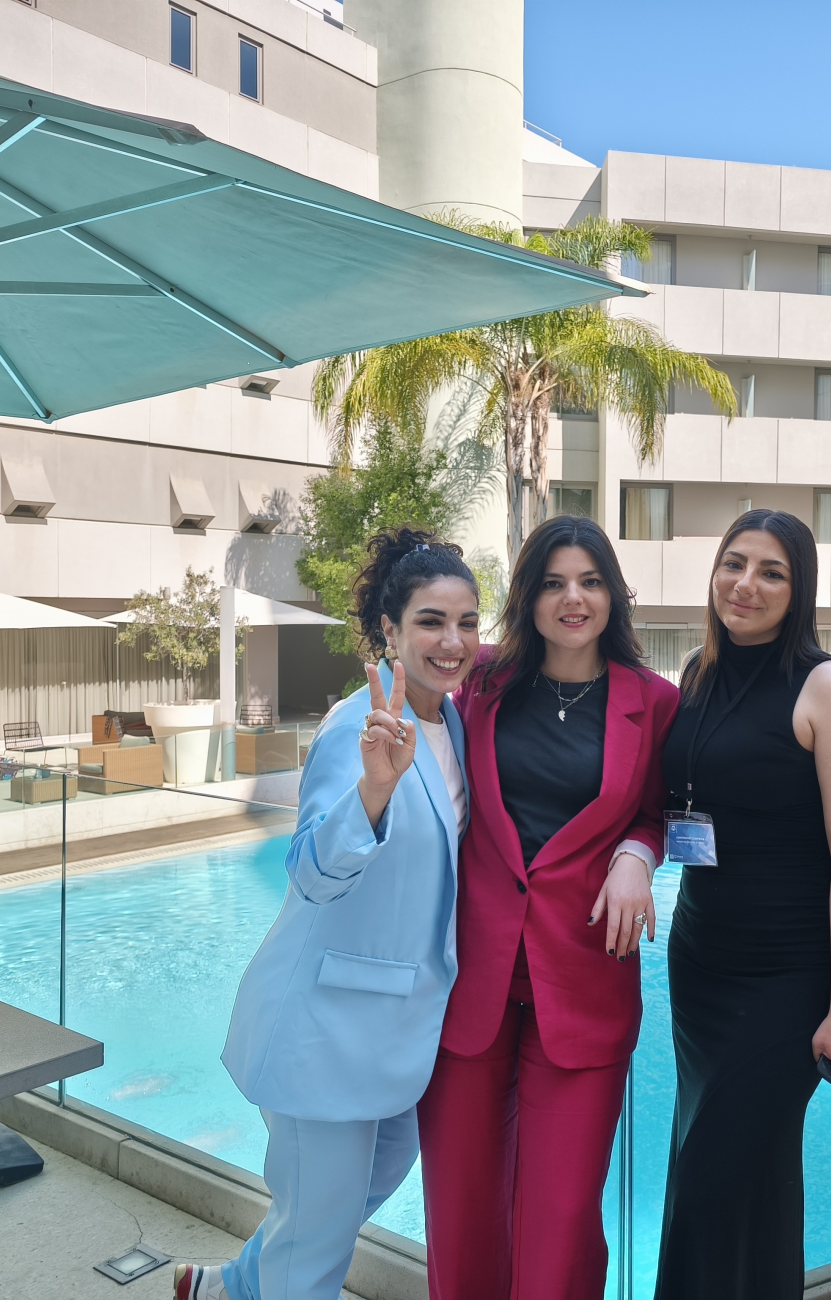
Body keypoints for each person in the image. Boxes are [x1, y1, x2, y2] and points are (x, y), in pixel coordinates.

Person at [173, 529, 482, 1300]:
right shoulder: (358, 726)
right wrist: (373, 791)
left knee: (340, 1204)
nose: (452, 641)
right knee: (316, 1243)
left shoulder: (455, 722)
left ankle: (228, 1287)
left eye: (466, 622)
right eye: (430, 621)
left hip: (398, 1028)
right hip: (326, 1028)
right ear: (388, 631)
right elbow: (312, 872)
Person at [417, 515, 681, 1300]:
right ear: (527, 596)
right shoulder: (480, 679)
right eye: (554, 582)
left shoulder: (654, 703)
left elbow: (662, 812)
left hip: (585, 981)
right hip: (471, 982)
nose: (574, 599)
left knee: (560, 1220)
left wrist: (637, 855)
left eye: (590, 582)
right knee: (459, 1211)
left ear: (613, 595)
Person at [654, 510, 831, 1300]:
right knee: (729, 1177)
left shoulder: (826, 687)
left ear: (798, 589)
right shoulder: (697, 672)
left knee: (716, 1179)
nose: (745, 584)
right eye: (734, 563)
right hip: (700, 965)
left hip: (784, 978)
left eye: (771, 572)